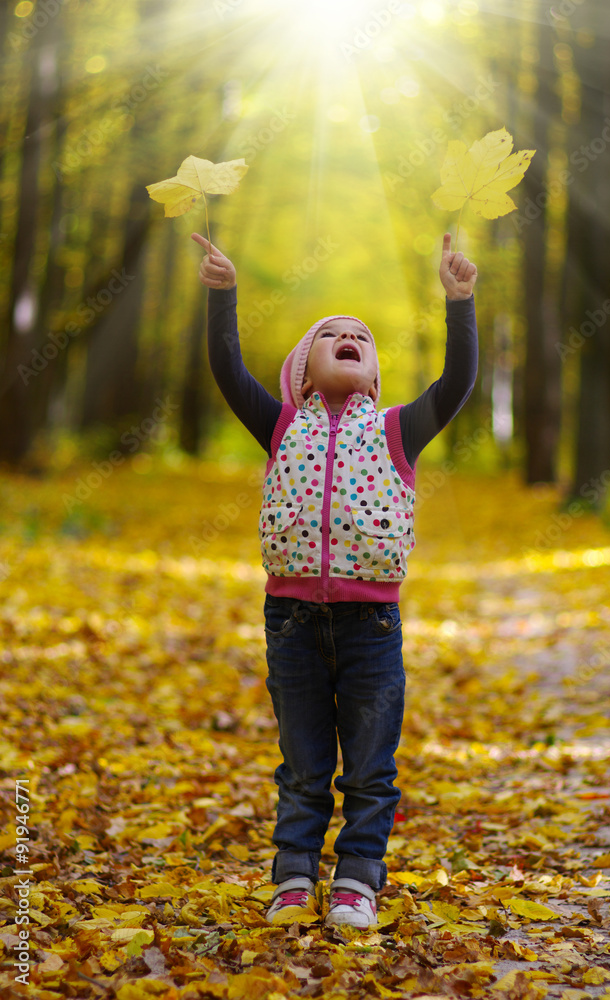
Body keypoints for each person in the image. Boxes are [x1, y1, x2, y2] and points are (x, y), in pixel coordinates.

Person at [192, 230, 478, 928]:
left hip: (370, 628)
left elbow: (457, 383)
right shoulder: (281, 423)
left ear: (375, 374)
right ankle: (292, 878)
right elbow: (228, 371)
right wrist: (222, 297)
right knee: (302, 766)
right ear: (302, 371)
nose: (348, 337)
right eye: (331, 335)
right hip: (289, 624)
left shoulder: (395, 431)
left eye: (360, 337)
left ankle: (355, 881)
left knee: (371, 769)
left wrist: (459, 303)